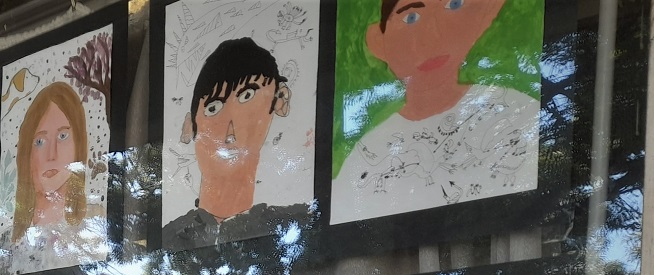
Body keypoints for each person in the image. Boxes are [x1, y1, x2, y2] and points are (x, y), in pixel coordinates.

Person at [332, 0, 540, 224]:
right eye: (410, 18)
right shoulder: (368, 153)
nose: (433, 34)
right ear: (378, 41)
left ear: (484, 16)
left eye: (454, 5)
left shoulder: (515, 111)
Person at [164, 37, 293, 247]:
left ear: (280, 100)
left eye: (247, 96)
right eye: (213, 108)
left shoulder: (290, 226)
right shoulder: (169, 239)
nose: (230, 132)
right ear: (189, 126)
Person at [8, 82, 104, 273]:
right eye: (40, 141)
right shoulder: (8, 241)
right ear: (27, 153)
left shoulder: (96, 221)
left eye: (62, 136)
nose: (51, 154)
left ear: (78, 143)